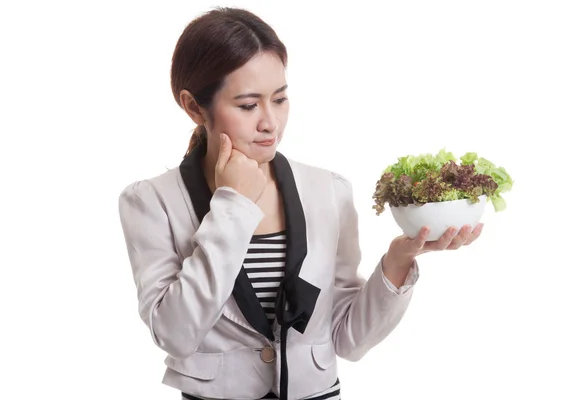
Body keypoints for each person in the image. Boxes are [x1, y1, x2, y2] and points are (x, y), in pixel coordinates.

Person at [118, 7, 483, 400]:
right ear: (193, 107)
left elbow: (348, 340)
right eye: (247, 105)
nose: (270, 123)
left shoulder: (328, 190)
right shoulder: (150, 201)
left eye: (279, 99)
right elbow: (175, 333)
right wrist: (233, 206)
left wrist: (397, 262)